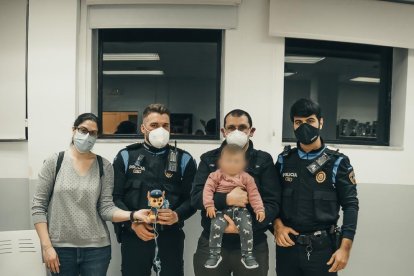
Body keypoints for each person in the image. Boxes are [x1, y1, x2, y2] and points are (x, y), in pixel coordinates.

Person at [31, 113, 150, 276]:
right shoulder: (55, 161)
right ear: (74, 130)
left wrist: (133, 214)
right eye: (83, 130)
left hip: (97, 250)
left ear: (97, 136)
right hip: (60, 249)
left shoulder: (104, 166)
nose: (87, 136)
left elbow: (106, 208)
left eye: (93, 133)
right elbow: (38, 207)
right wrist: (46, 247)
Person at [273, 98, 359, 276]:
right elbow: (271, 200)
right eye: (298, 122)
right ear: (293, 125)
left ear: (321, 122)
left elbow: (351, 206)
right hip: (287, 248)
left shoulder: (337, 162)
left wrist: (345, 249)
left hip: (323, 250)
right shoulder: (284, 160)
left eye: (310, 121)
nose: (304, 126)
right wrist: (277, 225)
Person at [192, 109, 280, 276]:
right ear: (223, 132)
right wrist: (226, 199)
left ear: (251, 131)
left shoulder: (264, 160)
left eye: (242, 127)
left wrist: (244, 227)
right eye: (231, 128)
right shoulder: (209, 160)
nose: (236, 132)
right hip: (212, 242)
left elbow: (273, 203)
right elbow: (196, 198)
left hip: (253, 243)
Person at [112, 103, 197, 276]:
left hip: (170, 236)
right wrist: (132, 223)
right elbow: (114, 197)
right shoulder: (126, 156)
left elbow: (193, 199)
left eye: (165, 126)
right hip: (135, 234)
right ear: (143, 128)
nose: (161, 130)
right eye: (154, 125)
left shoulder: (184, 158)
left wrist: (177, 215)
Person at [203, 144, 265, 270]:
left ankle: (247, 255)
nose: (232, 164)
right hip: (220, 211)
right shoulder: (216, 175)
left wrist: (259, 209)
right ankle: (214, 254)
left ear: (243, 163)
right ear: (221, 162)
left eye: (236, 161)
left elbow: (254, 194)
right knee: (215, 227)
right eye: (228, 161)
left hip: (241, 210)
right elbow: (207, 190)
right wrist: (209, 205)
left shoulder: (247, 177)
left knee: (247, 227)